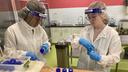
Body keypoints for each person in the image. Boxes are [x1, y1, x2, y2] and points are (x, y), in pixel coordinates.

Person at [71, 1, 122, 72]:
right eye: (89, 17)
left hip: (99, 70)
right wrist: (79, 40)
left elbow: (115, 57)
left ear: (103, 15)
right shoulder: (85, 30)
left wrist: (100, 58)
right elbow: (74, 45)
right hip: (82, 68)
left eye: (94, 17)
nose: (91, 20)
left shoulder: (112, 34)